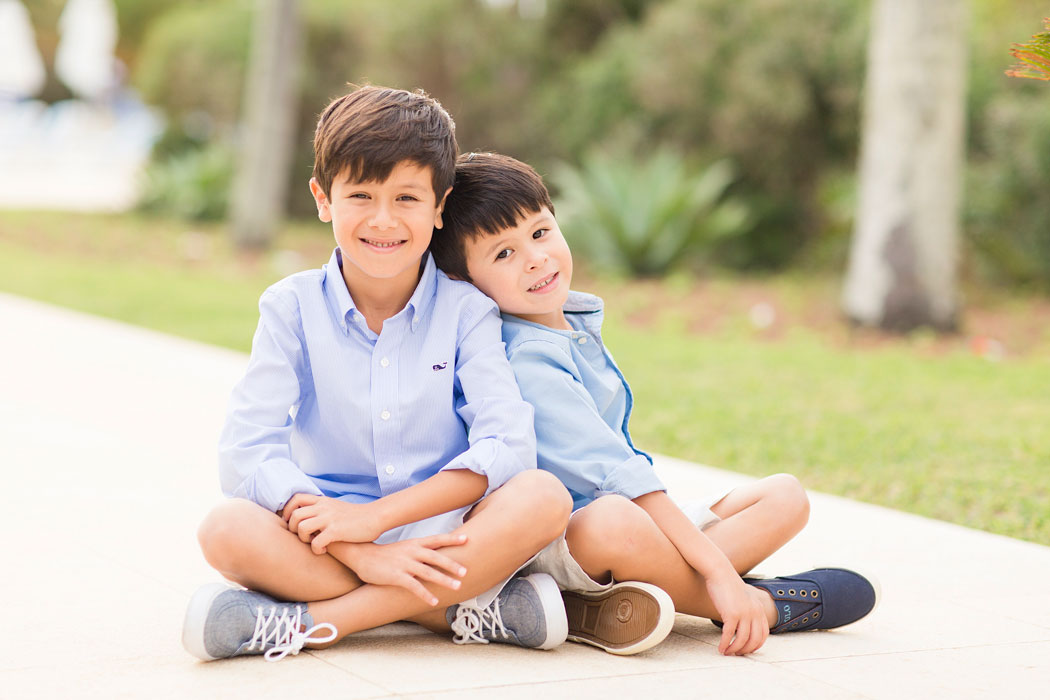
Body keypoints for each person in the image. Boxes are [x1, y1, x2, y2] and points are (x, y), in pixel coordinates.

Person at [181, 87, 588, 663]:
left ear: (440, 205)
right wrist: (361, 549)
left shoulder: (467, 310)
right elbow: (247, 451)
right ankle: (464, 608)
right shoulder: (291, 306)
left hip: (447, 529)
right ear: (323, 199)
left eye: (406, 198)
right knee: (225, 530)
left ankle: (309, 623)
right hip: (325, 537)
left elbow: (507, 444)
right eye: (361, 195)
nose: (383, 220)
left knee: (542, 497)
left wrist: (376, 521)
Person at [430, 152, 880, 657]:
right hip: (561, 539)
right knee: (614, 520)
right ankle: (762, 603)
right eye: (503, 254)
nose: (535, 258)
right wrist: (716, 569)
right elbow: (617, 476)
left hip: (629, 524)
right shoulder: (525, 358)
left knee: (785, 496)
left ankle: (656, 590)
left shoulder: (570, 322)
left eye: (539, 233)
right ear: (468, 284)